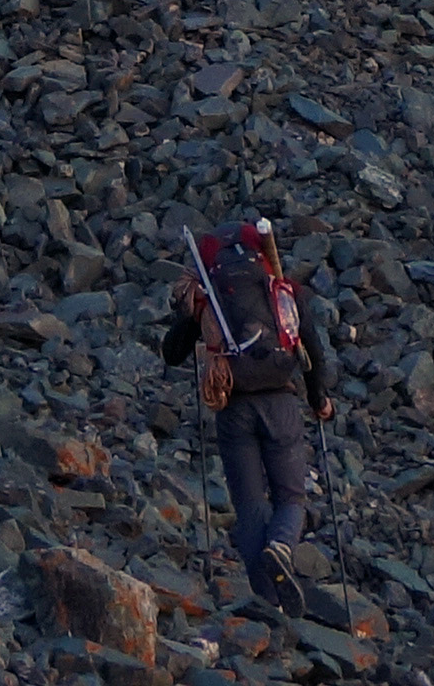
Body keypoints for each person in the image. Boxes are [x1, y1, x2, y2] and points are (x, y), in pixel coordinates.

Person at [154, 213, 347, 623]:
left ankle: (267, 599)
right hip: (280, 402)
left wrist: (193, 318)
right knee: (291, 497)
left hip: (233, 407)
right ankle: (281, 547)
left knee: (248, 505)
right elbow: (308, 344)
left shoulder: (209, 297)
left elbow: (171, 353)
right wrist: (319, 399)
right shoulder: (279, 287)